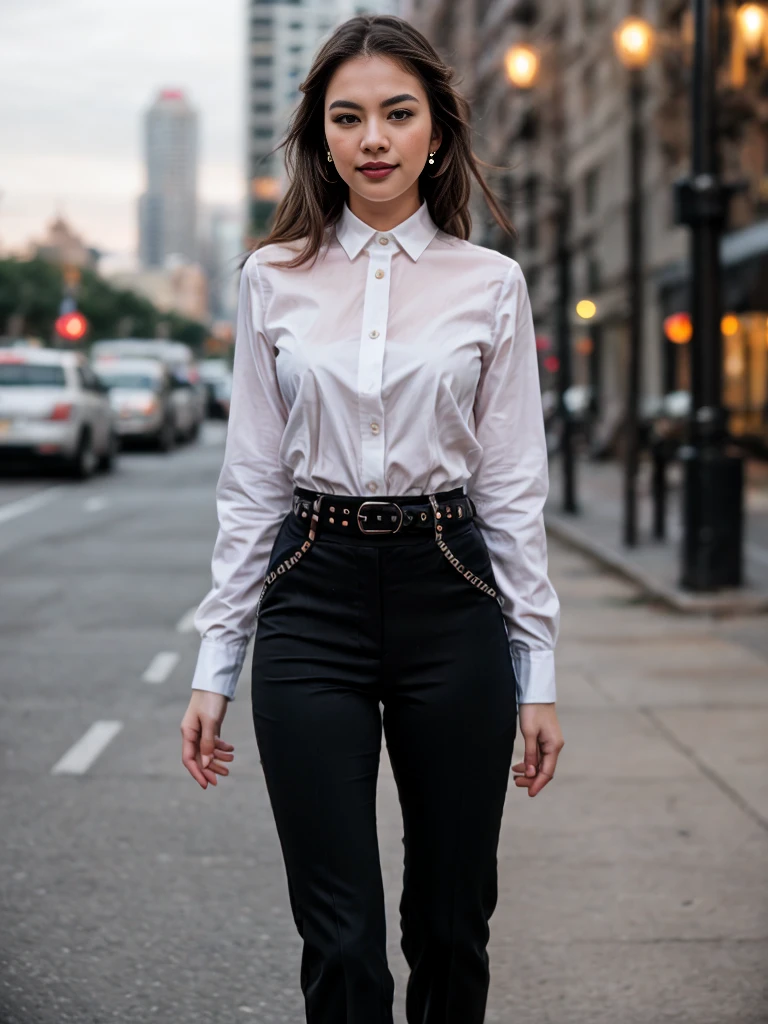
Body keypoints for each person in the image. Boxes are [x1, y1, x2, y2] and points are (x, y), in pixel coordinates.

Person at [180, 13, 563, 1024]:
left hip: (452, 591)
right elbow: (252, 479)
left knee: (449, 921)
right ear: (322, 138)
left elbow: (515, 484)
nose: (374, 139)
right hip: (314, 594)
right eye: (348, 119)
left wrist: (540, 674)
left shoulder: (493, 285)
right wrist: (216, 661)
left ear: (437, 129)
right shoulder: (273, 278)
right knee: (340, 939)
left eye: (398, 113)